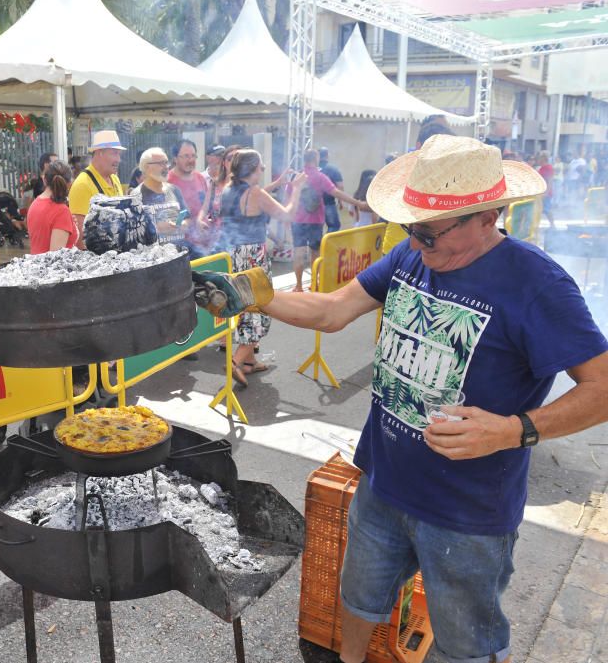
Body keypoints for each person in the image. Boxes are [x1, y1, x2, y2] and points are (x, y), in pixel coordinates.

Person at [194, 134, 608, 663]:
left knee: (466, 643)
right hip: (383, 481)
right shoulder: (412, 256)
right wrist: (256, 297)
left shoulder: (537, 284)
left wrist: (512, 430)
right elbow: (332, 310)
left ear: (488, 215)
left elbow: (601, 388)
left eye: (429, 232)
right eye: (410, 229)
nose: (416, 244)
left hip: (468, 509)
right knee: (360, 597)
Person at [218, 149, 304, 385]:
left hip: (233, 254)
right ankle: (236, 362)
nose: (263, 169)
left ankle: (249, 362)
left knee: (244, 306)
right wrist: (295, 189)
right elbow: (286, 215)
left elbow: (255, 201)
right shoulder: (254, 192)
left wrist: (278, 183)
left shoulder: (228, 189)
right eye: (260, 167)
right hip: (252, 256)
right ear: (251, 169)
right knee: (259, 308)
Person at [291, 149, 363, 292]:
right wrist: (357, 203)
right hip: (315, 220)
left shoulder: (297, 176)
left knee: (299, 253)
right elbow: (336, 192)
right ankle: (313, 284)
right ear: (316, 159)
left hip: (298, 220)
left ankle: (298, 285)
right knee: (315, 253)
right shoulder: (320, 176)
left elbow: (289, 195)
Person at [382, 121, 456, 254]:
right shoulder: (404, 173)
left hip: (427, 250)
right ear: (418, 146)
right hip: (398, 250)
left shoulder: (448, 176)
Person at [68, 130, 126, 248]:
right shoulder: (82, 185)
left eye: (119, 154)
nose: (118, 159)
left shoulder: (115, 179)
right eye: (114, 153)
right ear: (100, 152)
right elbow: (79, 238)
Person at [27, 160, 77, 254]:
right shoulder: (61, 211)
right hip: (49, 268)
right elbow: (56, 258)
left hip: (35, 265)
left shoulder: (35, 203)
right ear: (69, 184)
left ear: (44, 180)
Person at [318, 146, 345, 233]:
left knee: (316, 227)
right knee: (334, 226)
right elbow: (340, 186)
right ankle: (326, 244)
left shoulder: (314, 169)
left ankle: (316, 245)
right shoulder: (333, 169)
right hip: (328, 203)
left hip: (314, 205)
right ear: (327, 155)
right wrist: (340, 201)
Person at [535, 151, 556, 229]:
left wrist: (547, 192)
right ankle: (536, 226)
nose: (538, 159)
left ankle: (552, 225)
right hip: (540, 192)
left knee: (547, 209)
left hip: (546, 193)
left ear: (543, 158)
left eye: (540, 157)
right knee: (538, 210)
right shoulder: (541, 168)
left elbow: (550, 181)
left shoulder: (549, 167)